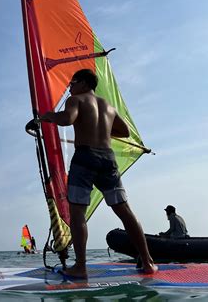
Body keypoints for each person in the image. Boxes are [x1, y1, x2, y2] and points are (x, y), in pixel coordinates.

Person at [39, 69, 157, 278]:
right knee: (125, 211)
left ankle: (81, 267)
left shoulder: (75, 100)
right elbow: (124, 132)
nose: (70, 88)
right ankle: (148, 262)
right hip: (108, 160)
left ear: (84, 83)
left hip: (85, 158)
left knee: (77, 213)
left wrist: (46, 116)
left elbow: (67, 119)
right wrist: (99, 127)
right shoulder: (108, 106)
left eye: (72, 83)